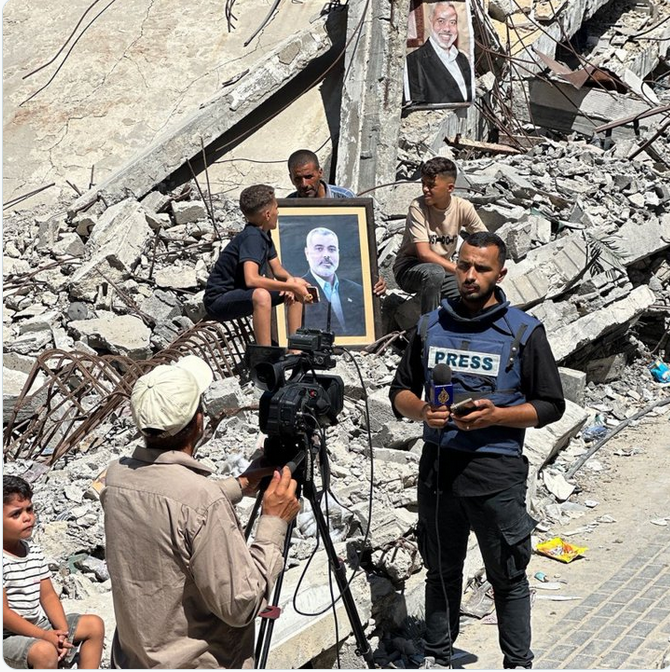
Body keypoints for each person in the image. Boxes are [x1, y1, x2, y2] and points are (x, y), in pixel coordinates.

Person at [389, 232, 565, 669]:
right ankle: (438, 655)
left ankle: (517, 662)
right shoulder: (430, 326)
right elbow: (400, 392)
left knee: (507, 575)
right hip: (438, 474)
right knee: (440, 574)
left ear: (499, 274)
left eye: (481, 269)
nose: (469, 275)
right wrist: (423, 412)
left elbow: (550, 404)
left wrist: (496, 416)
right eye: (464, 265)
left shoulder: (523, 332)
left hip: (495, 476)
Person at [101, 355, 300, 668]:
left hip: (135, 657)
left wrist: (238, 485)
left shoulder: (116, 478)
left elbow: (165, 505)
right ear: (198, 421)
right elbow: (240, 605)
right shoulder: (201, 500)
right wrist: (273, 522)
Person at [3, 475, 104, 670]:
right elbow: (4, 614)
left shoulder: (32, 551)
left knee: (94, 625)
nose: (27, 518)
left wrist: (62, 632)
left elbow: (48, 596)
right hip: (8, 635)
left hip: (37, 625)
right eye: (16, 514)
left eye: (29, 510)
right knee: (44, 652)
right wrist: (44, 636)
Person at [204, 183, 313, 346]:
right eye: (276, 208)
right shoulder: (252, 238)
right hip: (219, 300)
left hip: (242, 294)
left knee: (298, 283)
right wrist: (290, 288)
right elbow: (252, 280)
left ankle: (295, 350)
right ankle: (265, 353)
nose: (278, 212)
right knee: (262, 295)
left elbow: (278, 270)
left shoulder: (264, 235)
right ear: (268, 214)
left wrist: (291, 282)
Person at [287, 149, 387, 297]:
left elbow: (361, 242)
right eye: (298, 179)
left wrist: (372, 274)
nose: (304, 184)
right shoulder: (288, 208)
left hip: (345, 270)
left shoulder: (345, 199)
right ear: (291, 178)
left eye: (309, 177)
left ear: (320, 172)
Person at [393, 157, 486, 315]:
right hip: (409, 269)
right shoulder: (418, 207)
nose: (425, 189)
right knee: (435, 273)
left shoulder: (463, 207)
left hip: (443, 270)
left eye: (431, 185)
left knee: (473, 293)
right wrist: (459, 269)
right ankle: (427, 328)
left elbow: (486, 242)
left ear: (449, 188)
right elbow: (424, 254)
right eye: (423, 184)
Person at [405, 1, 473, 105]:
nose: (447, 29)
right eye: (441, 21)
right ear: (430, 22)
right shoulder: (414, 61)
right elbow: (416, 110)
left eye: (452, 22)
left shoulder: (461, 59)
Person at [303, 227, 365, 335]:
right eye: (319, 249)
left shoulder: (358, 291)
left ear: (338, 253)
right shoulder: (298, 290)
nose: (326, 255)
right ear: (307, 253)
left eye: (331, 249)